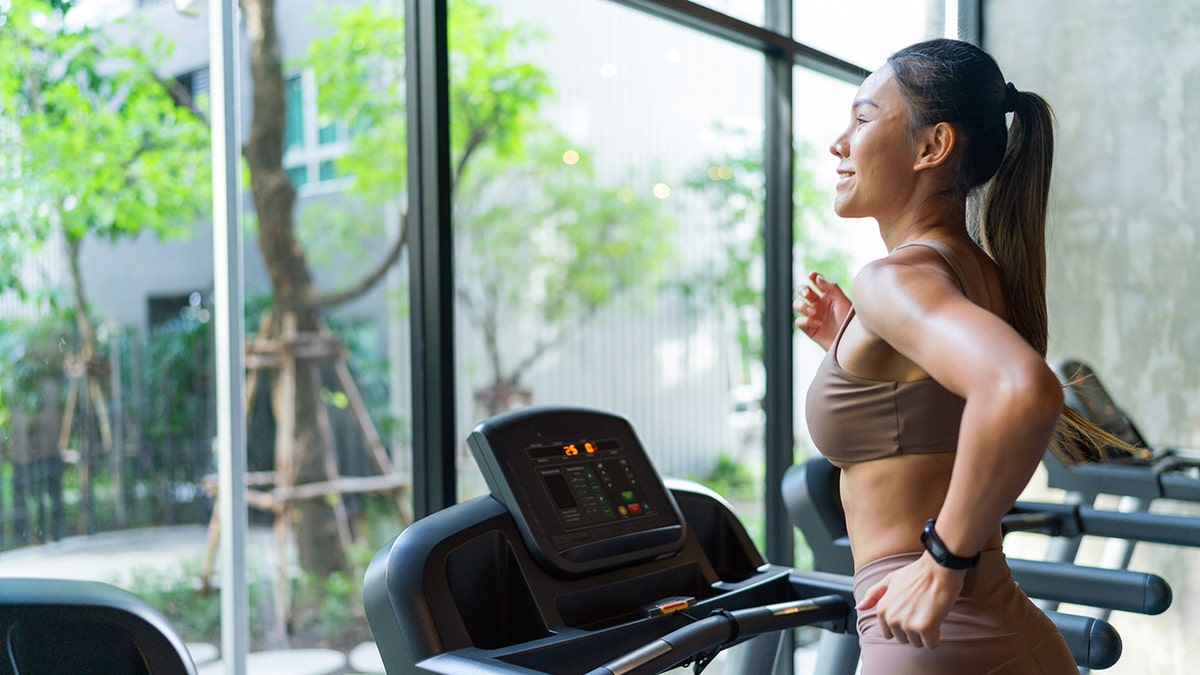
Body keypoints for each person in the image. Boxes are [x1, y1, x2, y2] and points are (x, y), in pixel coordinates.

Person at [795, 38, 1125, 674]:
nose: (840, 143)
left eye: (862, 119)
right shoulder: (980, 272)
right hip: (1012, 634)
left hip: (927, 643)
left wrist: (943, 560)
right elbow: (932, 408)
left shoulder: (892, 280)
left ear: (931, 146)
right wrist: (851, 340)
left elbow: (1020, 388)